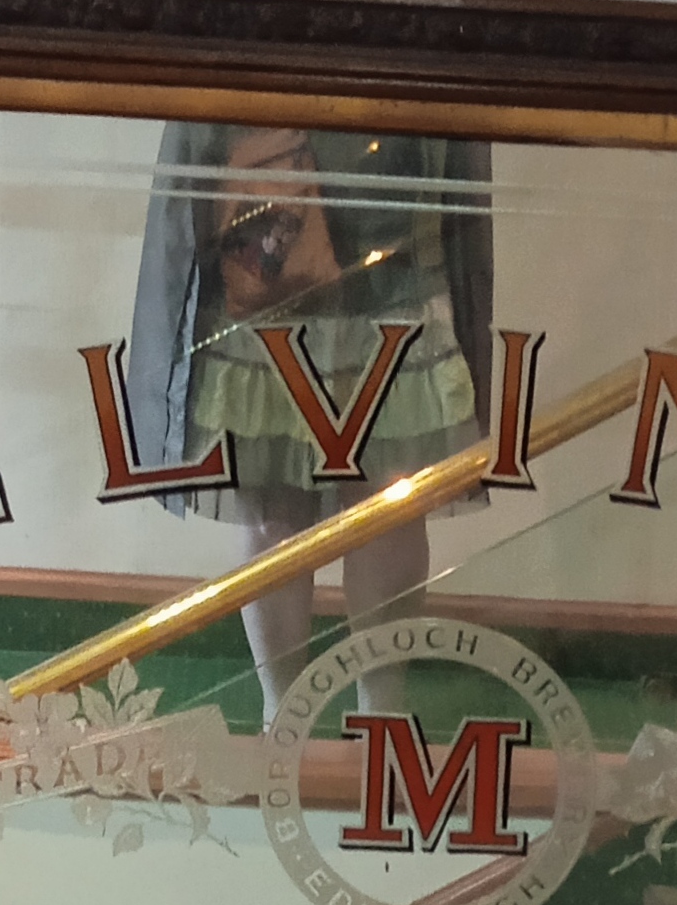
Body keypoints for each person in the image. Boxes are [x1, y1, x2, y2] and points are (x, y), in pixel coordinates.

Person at [126, 123, 494, 718]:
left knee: (386, 504)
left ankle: (375, 716)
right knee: (279, 504)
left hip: (386, 188)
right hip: (267, 182)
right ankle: (285, 716)